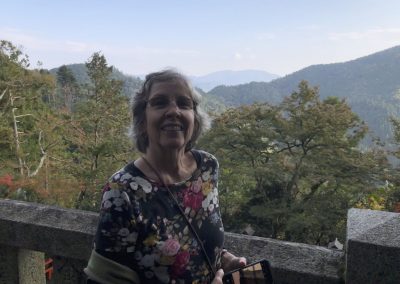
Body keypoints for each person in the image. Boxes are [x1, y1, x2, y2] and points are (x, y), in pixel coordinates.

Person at [84, 69, 246, 283]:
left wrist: (221, 258)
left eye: (183, 103)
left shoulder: (207, 168)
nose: (173, 111)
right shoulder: (122, 192)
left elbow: (191, 237)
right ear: (142, 120)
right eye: (160, 102)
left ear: (194, 119)